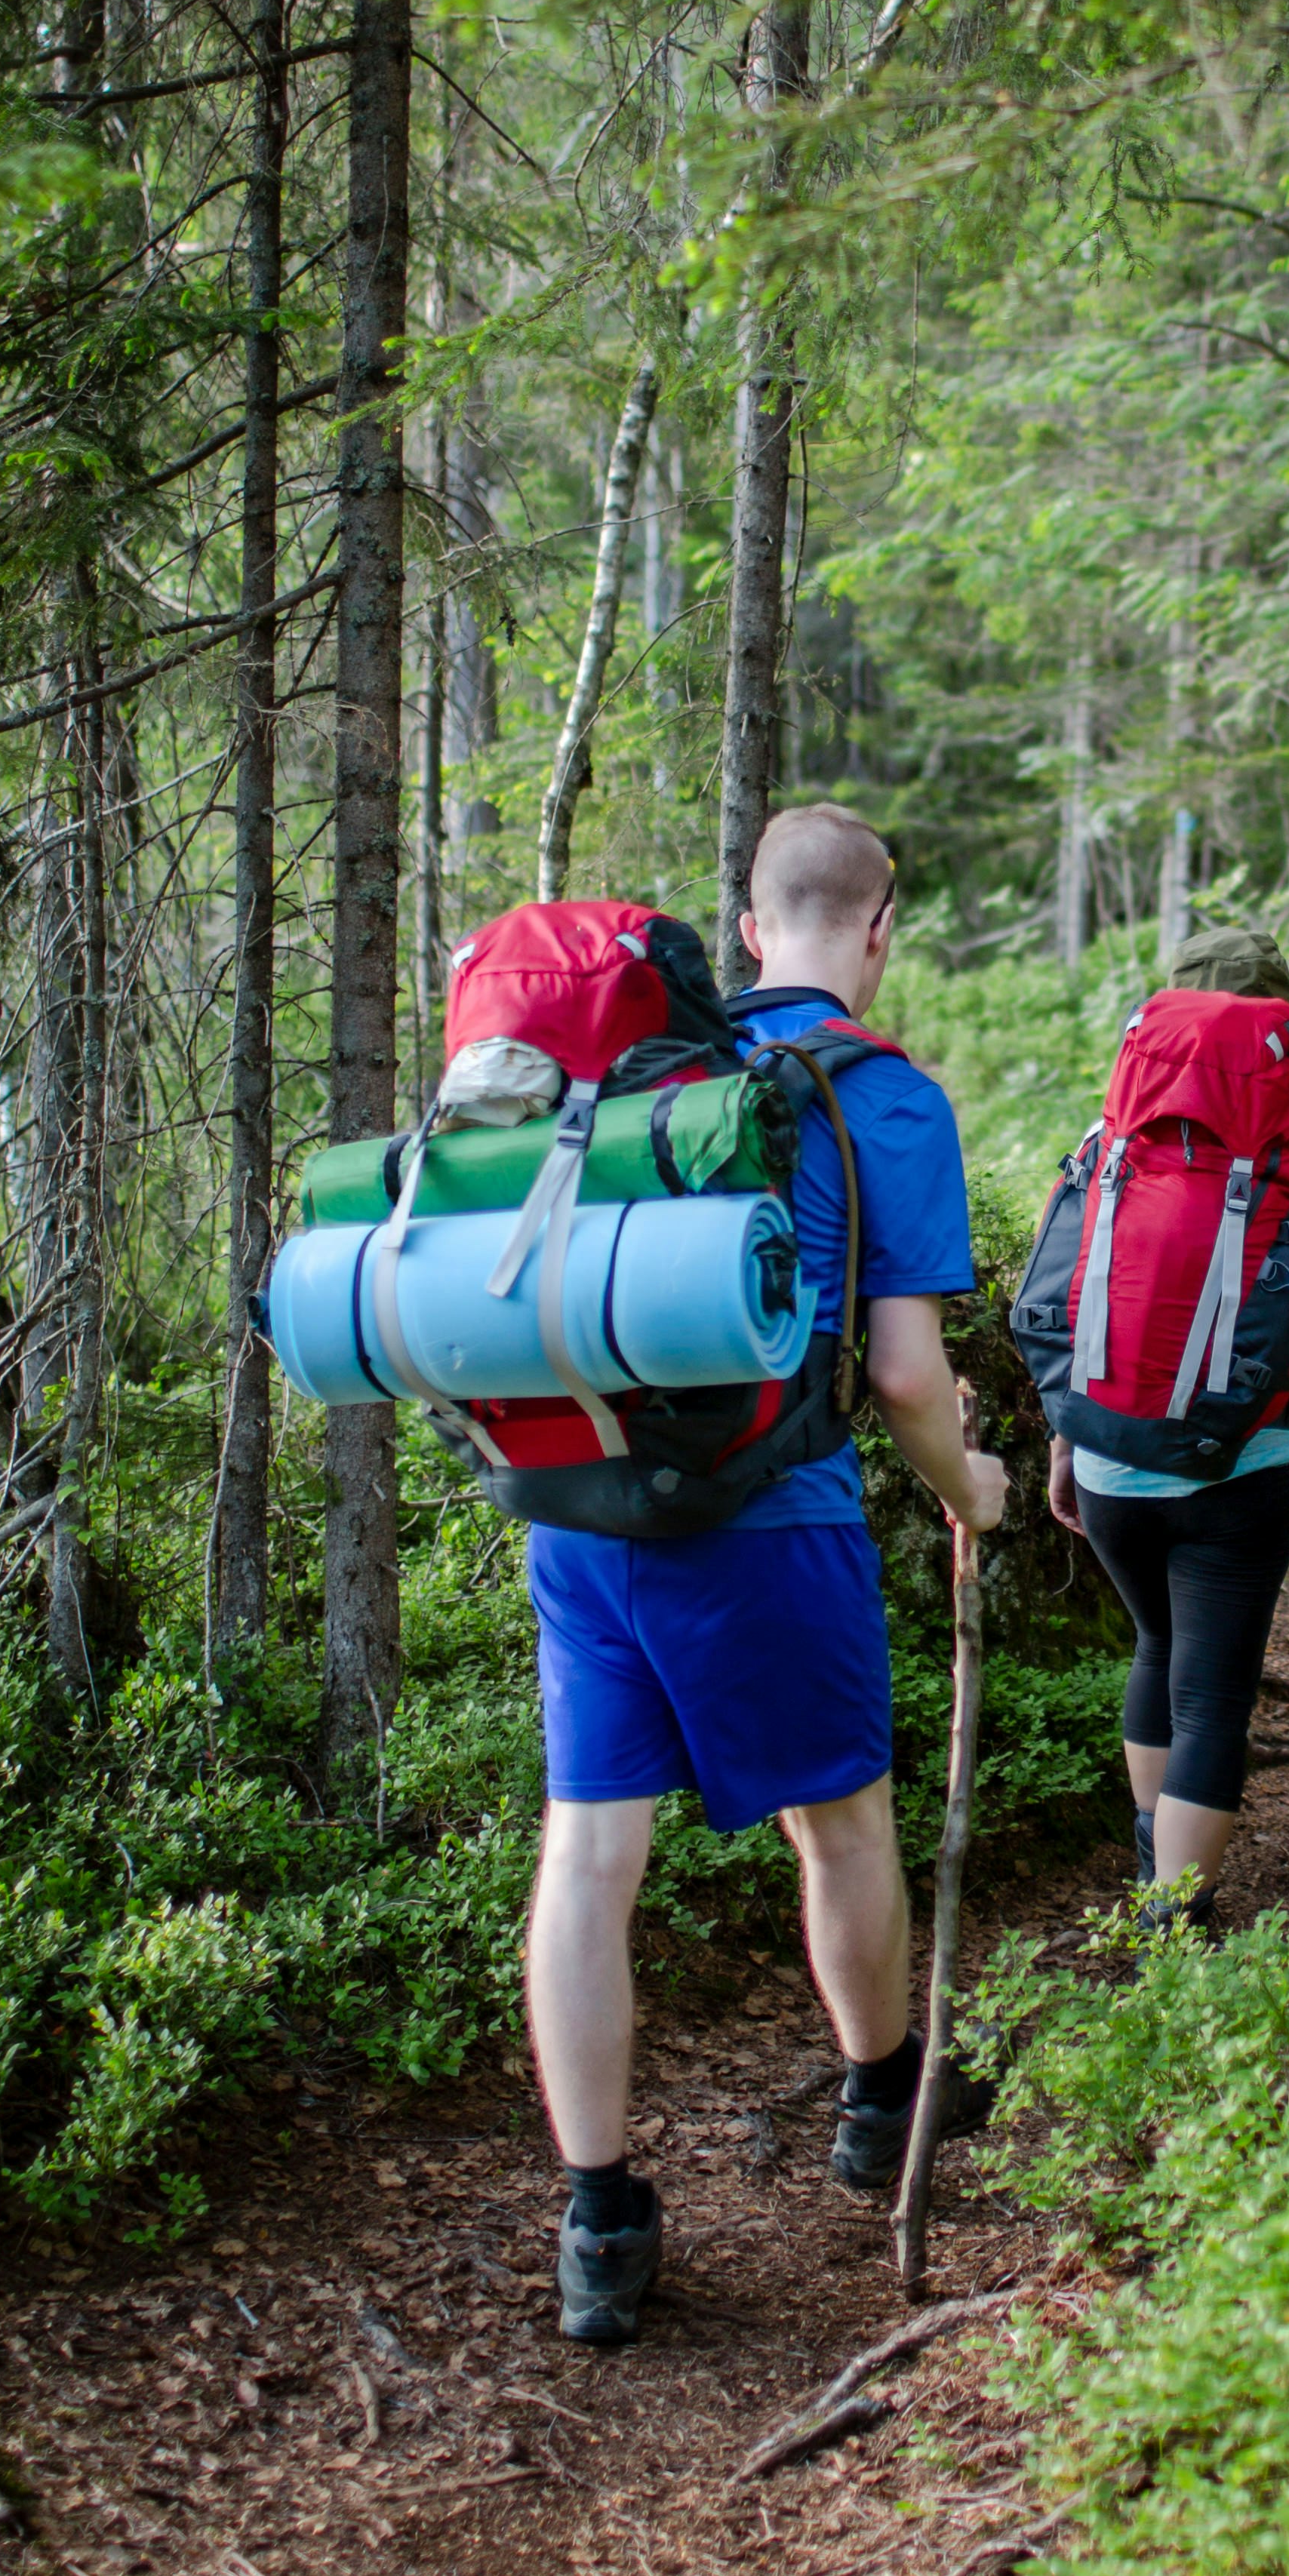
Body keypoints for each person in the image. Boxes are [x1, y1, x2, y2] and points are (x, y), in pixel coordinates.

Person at [522, 804, 1008, 2347]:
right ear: (878, 932)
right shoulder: (887, 1097)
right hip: (768, 1519)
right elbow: (910, 1378)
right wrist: (974, 1491)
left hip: (582, 1517)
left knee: (591, 1858)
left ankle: (598, 2220)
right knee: (842, 1826)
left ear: (746, 928)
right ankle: (880, 2106)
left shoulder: (641, 1074)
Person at [1044, 925, 1289, 1933]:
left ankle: (1147, 1865)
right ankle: (1177, 1925)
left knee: (1157, 1648)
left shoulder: (1110, 1138)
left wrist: (1065, 1443)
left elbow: (1078, 1301)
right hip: (1242, 1468)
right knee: (1214, 1695)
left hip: (1114, 1458)